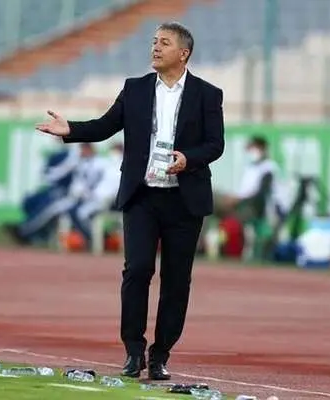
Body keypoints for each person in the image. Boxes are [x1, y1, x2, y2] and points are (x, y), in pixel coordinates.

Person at [35, 21, 225, 380]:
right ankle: (133, 351)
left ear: (183, 53)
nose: (155, 47)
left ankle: (160, 355)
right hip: (142, 196)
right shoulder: (135, 88)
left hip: (184, 200)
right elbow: (106, 125)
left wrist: (188, 159)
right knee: (137, 270)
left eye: (164, 43)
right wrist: (71, 129)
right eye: (154, 41)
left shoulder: (208, 94)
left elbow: (216, 144)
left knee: (176, 281)